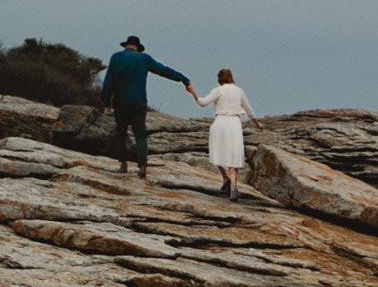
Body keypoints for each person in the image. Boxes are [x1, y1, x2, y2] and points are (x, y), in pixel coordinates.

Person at [98, 36, 196, 177]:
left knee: (121, 133)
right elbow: (163, 70)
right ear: (137, 47)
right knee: (140, 134)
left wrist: (106, 102)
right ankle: (142, 166)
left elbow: (108, 81)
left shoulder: (116, 58)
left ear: (126, 46)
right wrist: (182, 79)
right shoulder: (144, 59)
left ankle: (123, 164)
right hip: (138, 101)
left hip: (121, 102)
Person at [191, 69, 260, 201]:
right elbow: (249, 111)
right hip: (234, 123)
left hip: (220, 122)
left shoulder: (218, 90)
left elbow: (202, 103)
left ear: (219, 80)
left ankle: (224, 178)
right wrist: (257, 124)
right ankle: (233, 186)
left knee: (217, 152)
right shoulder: (239, 91)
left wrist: (192, 91)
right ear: (231, 78)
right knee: (232, 156)